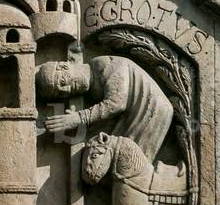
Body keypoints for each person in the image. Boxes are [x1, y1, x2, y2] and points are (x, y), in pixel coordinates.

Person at [38, 56, 173, 161]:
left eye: (62, 82)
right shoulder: (91, 87)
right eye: (62, 93)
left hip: (151, 112)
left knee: (131, 166)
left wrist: (78, 118)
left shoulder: (106, 64)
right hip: (129, 118)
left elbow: (116, 103)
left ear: (64, 66)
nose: (67, 88)